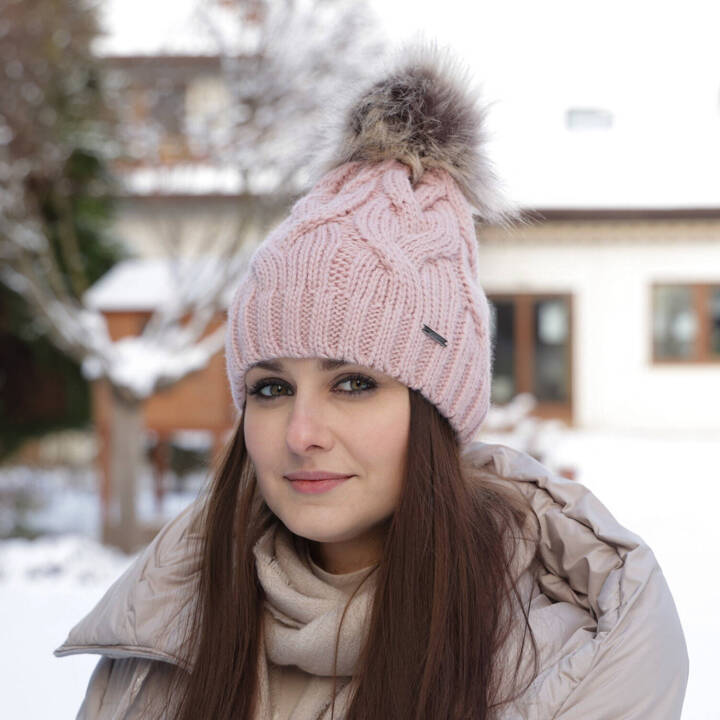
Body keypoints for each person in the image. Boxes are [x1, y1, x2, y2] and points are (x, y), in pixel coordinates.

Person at [55, 45, 689, 719]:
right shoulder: (159, 646)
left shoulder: (560, 667)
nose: (302, 434)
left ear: (437, 408)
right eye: (271, 388)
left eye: (354, 383)